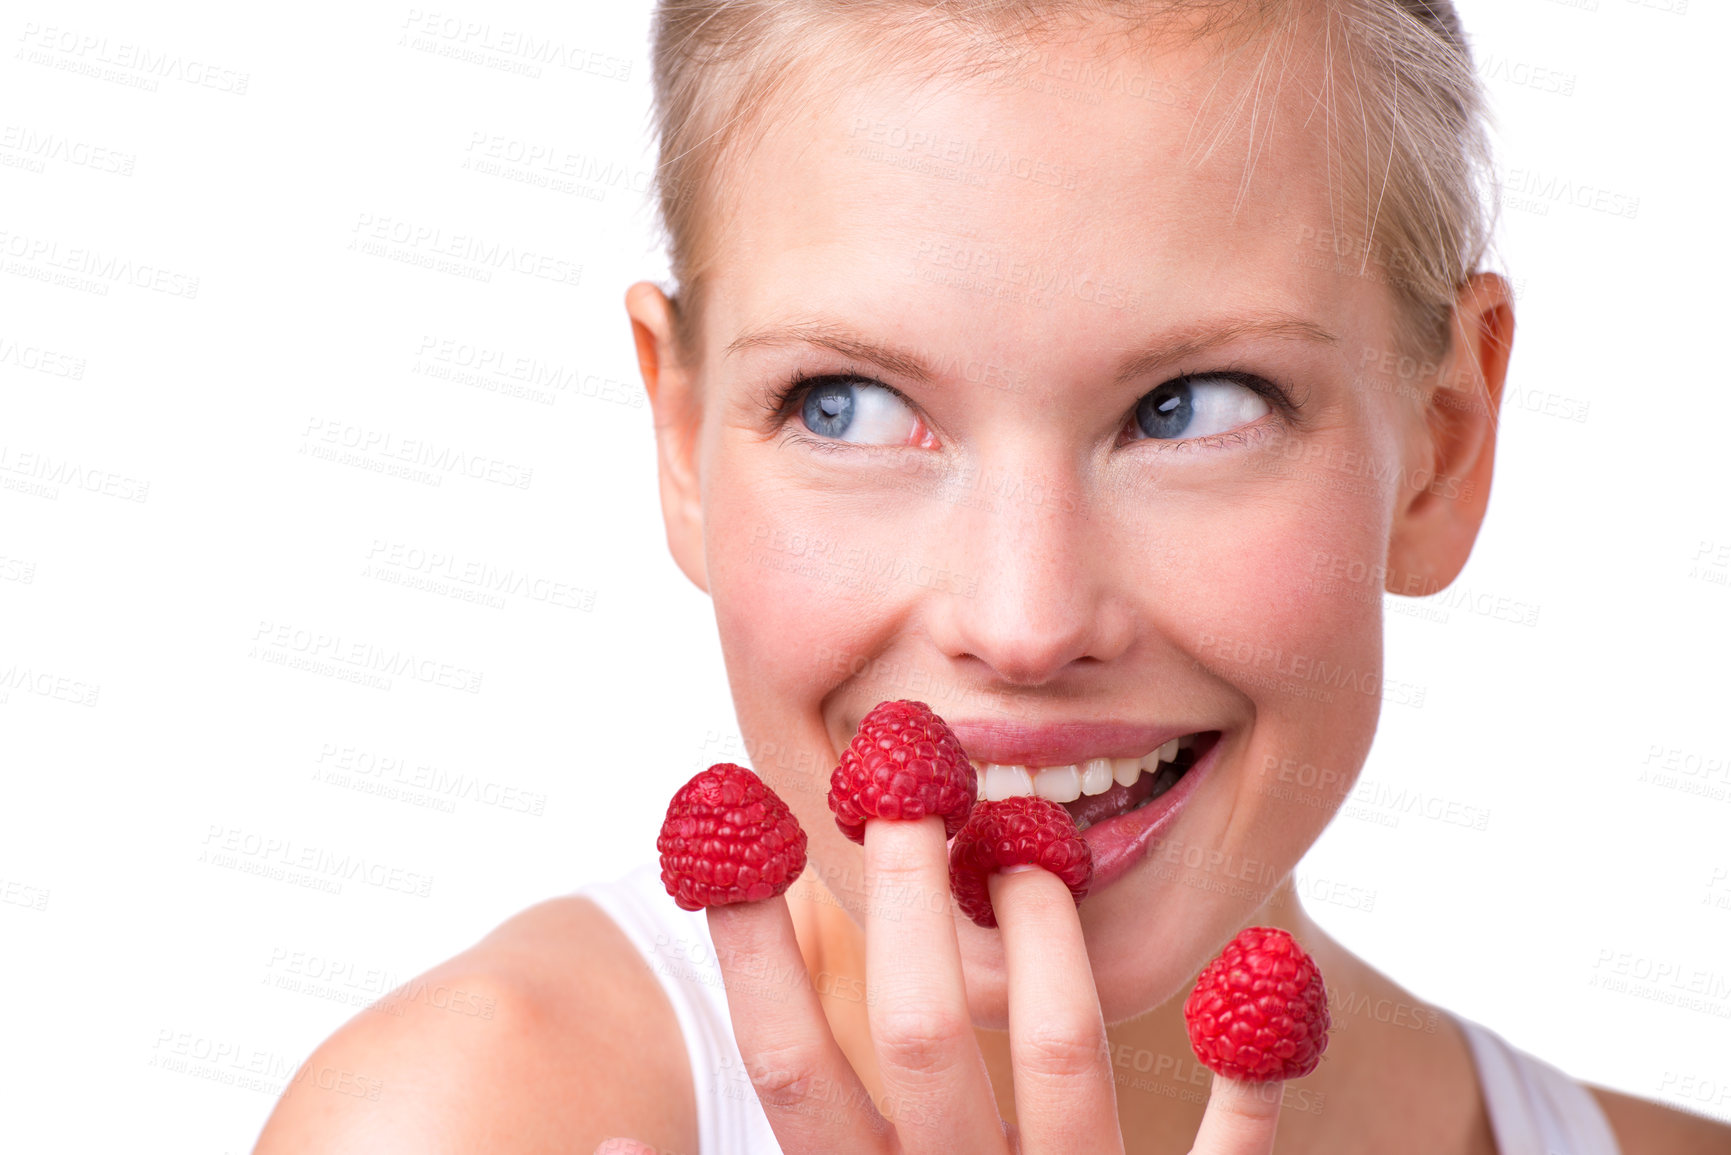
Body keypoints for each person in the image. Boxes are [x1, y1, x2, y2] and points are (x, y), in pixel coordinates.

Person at [255, 1, 1731, 1152]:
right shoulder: (468, 1122)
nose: (1024, 624)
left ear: (1441, 449)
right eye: (845, 404)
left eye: (1194, 405)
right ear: (685, 442)